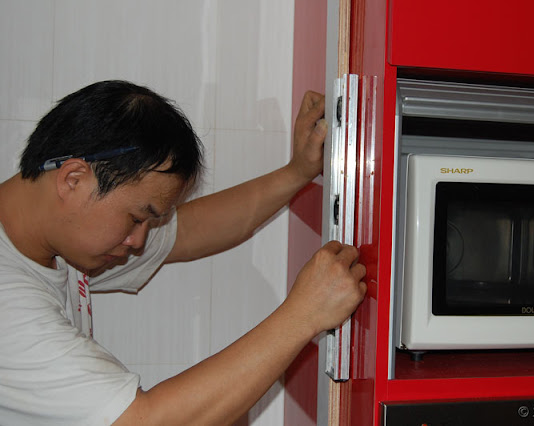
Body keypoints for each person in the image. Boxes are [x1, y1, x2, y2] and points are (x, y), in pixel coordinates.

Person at [0, 80, 366, 425]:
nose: (137, 241)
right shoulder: (10, 305)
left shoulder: (52, 240)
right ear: (73, 179)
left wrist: (297, 172)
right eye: (136, 218)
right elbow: (144, 421)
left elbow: (190, 231)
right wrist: (303, 316)